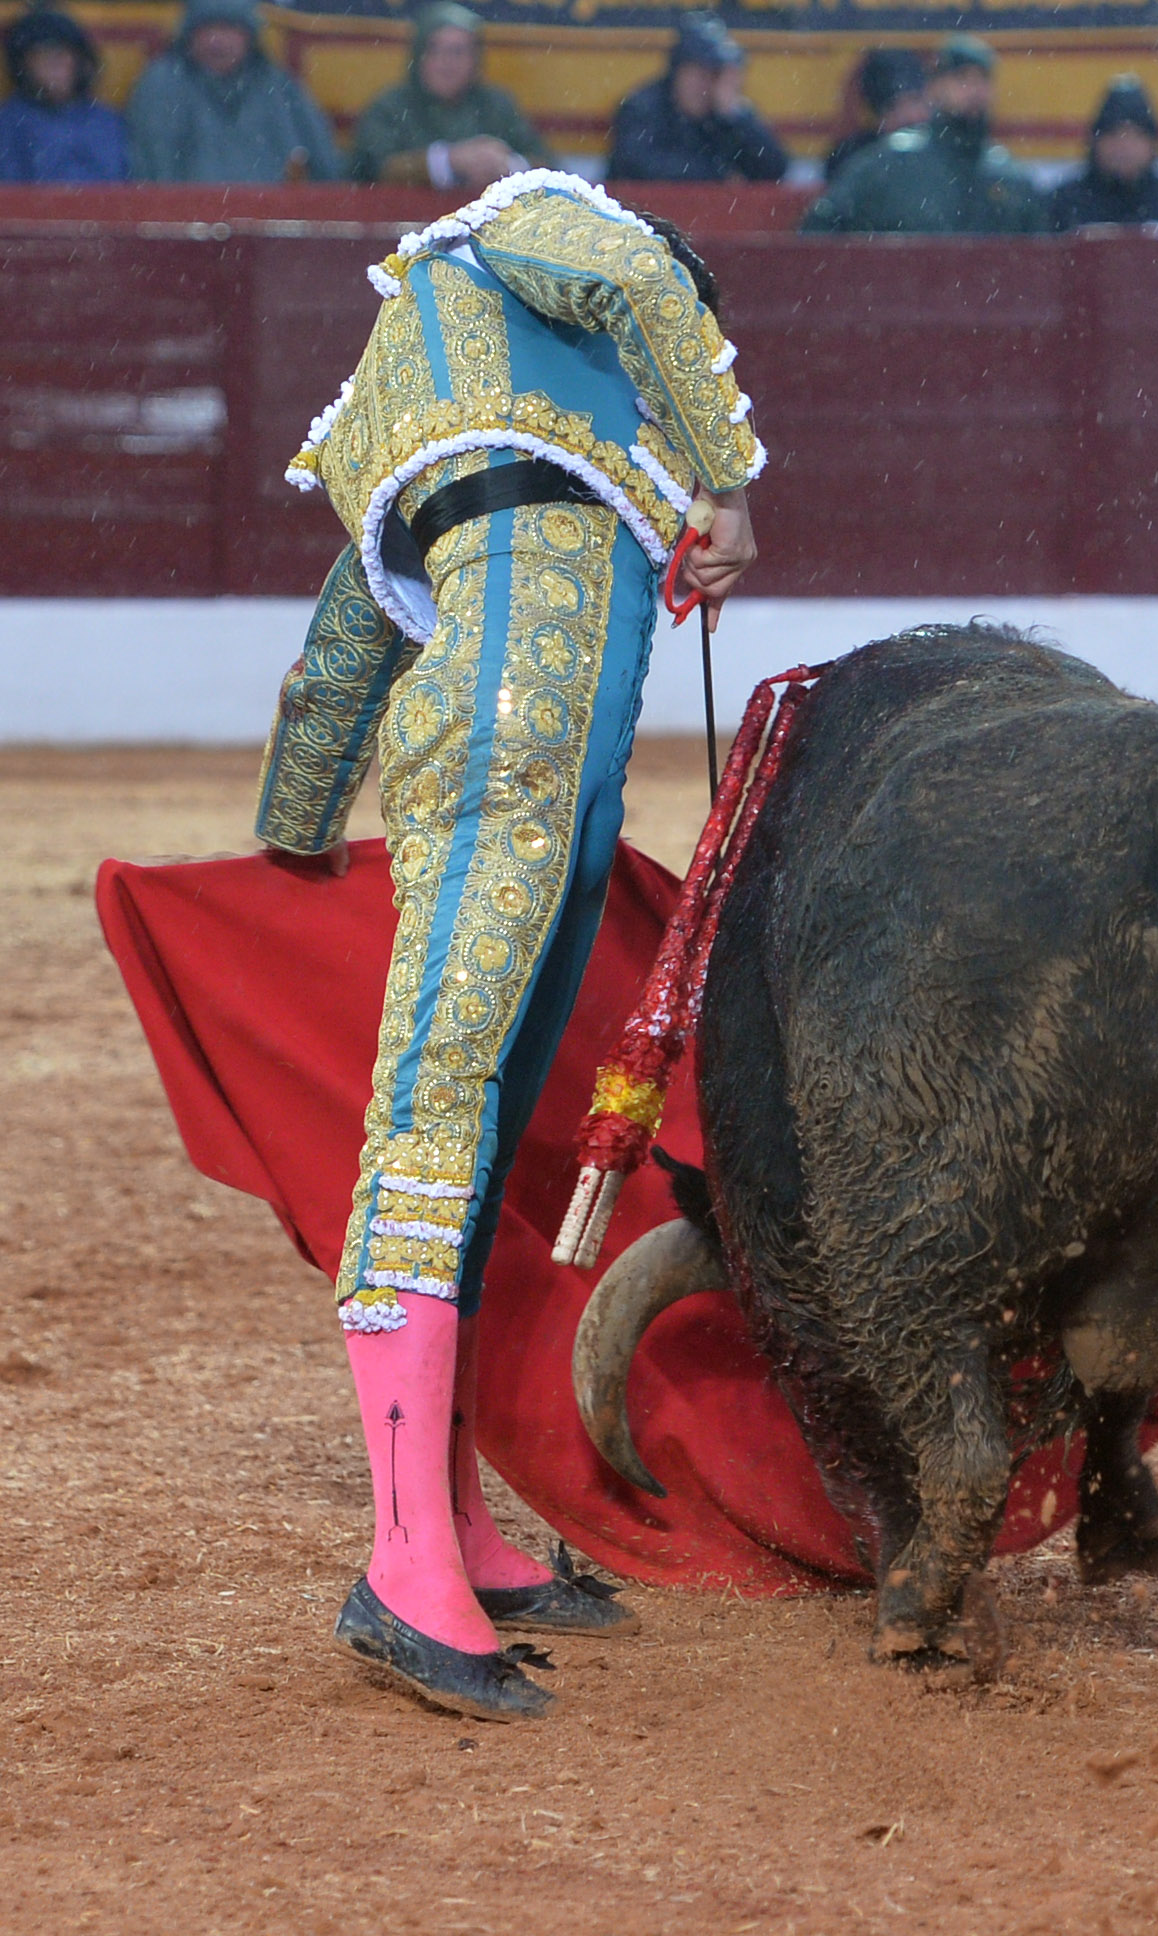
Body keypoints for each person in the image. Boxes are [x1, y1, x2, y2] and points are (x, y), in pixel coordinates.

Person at [264, 174, 762, 1720]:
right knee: (440, 1102)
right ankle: (403, 1563)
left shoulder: (423, 396)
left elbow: (350, 625)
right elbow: (633, 282)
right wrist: (731, 482)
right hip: (510, 730)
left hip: (530, 744)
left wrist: (292, 821)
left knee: (475, 1116)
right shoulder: (527, 232)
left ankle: (457, 1531)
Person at [802, 35, 1045, 236]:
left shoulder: (1010, 177)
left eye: (982, 80)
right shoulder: (890, 163)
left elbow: (1039, 259)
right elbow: (820, 230)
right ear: (934, 87)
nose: (974, 91)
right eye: (961, 78)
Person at [125, 0, 339, 183]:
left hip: (273, 221)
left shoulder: (278, 86)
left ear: (249, 36)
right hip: (185, 222)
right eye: (207, 28)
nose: (217, 41)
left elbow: (323, 162)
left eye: (229, 28)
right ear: (188, 34)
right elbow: (150, 167)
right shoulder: (161, 85)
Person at [347, 2, 548, 190]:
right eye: (435, 49)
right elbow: (371, 171)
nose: (447, 62)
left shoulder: (497, 105)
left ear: (476, 60)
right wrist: (447, 161)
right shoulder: (389, 107)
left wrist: (507, 165)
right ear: (418, 57)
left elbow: (548, 168)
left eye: (458, 51)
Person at [605, 13, 787, 184]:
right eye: (700, 72)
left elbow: (774, 169)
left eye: (715, 74)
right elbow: (636, 166)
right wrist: (719, 175)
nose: (707, 85)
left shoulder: (728, 114)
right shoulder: (643, 106)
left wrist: (735, 116)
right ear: (677, 71)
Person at [1049, 75, 1158, 230]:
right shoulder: (1057, 209)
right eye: (1113, 134)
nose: (1124, 146)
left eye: (1136, 135)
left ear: (1153, 144)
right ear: (1095, 142)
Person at [0, 9, 127, 182]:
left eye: (62, 53)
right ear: (22, 65)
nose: (55, 64)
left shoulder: (108, 122)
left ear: (81, 59)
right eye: (44, 55)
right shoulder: (9, 125)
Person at [822, 47, 928, 183]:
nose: (912, 115)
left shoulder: (944, 152)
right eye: (894, 106)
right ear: (878, 114)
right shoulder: (852, 157)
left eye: (916, 101)